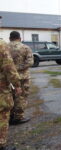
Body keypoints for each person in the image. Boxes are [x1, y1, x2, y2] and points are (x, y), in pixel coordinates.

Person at [0, 16, 22, 150]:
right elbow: (9, 67)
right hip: (1, 88)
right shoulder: (1, 45)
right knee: (2, 115)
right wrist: (17, 85)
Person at [8, 31, 33, 125]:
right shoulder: (25, 47)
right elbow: (30, 62)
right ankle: (18, 117)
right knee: (21, 96)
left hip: (8, 77)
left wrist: (11, 69)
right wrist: (18, 68)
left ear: (10, 38)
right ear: (20, 38)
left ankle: (9, 116)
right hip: (22, 77)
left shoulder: (4, 47)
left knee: (9, 96)